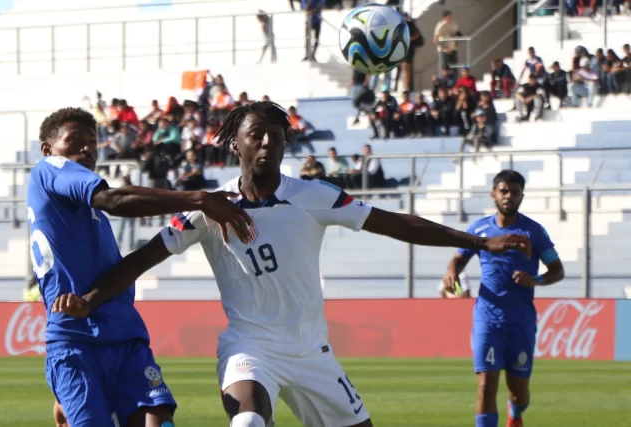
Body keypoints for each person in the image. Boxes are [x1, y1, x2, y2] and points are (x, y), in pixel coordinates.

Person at [51, 102, 531, 427]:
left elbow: (396, 223)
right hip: (249, 348)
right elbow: (140, 259)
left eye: (275, 136)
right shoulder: (208, 208)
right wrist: (89, 300)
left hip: (312, 353)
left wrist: (477, 242)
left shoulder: (313, 196)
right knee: (249, 420)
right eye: (255, 135)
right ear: (234, 144)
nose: (266, 144)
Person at [28, 107, 253, 427]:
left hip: (124, 336)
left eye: (92, 142)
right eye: (74, 140)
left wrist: (89, 300)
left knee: (158, 422)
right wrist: (198, 198)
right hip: (75, 339)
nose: (87, 148)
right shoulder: (48, 170)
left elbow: (121, 268)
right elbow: (115, 200)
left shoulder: (88, 215)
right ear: (48, 150)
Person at [441, 170, 565, 427]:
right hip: (487, 318)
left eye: (514, 192)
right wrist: (452, 270)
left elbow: (558, 270)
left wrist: (536, 280)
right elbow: (459, 258)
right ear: (494, 194)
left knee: (518, 393)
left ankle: (516, 413)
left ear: (522, 195)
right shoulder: (480, 229)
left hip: (520, 321)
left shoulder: (534, 232)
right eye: (504, 191)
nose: (508, 196)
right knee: (486, 385)